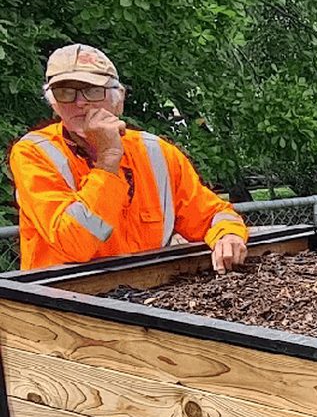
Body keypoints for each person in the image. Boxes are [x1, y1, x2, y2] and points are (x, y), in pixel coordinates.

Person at [9, 44, 248, 272]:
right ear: (54, 105)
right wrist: (107, 159)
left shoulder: (157, 153)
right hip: (61, 303)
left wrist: (228, 234)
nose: (80, 102)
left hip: (147, 294)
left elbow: (210, 214)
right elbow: (77, 244)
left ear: (118, 100)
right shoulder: (34, 153)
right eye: (65, 93)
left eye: (92, 90)